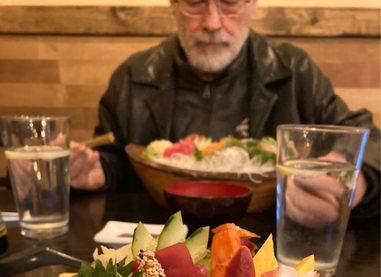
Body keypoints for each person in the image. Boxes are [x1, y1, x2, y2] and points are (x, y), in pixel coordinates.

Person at [69, 0, 380, 219]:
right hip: (158, 247)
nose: (213, 23)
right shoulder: (133, 76)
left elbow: (367, 142)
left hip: (268, 247)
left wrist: (353, 184)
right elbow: (116, 160)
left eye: (229, 2)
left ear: (252, 5)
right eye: (194, 2)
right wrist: (98, 173)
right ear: (173, 5)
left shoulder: (294, 72)